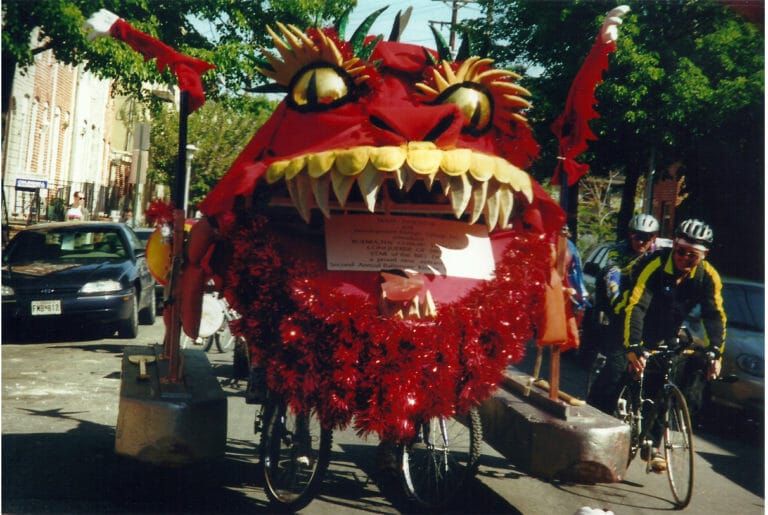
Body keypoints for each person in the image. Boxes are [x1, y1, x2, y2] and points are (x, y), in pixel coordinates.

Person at [594, 219, 726, 473]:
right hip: (628, 316)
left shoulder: (708, 276)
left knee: (667, 378)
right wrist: (633, 346)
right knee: (616, 371)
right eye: (680, 252)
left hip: (665, 327)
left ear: (704, 255)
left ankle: (652, 444)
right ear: (674, 245)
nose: (685, 258)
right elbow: (637, 306)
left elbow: (715, 315)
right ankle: (593, 429)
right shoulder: (653, 264)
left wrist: (715, 351)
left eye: (693, 255)